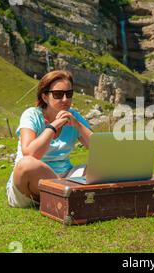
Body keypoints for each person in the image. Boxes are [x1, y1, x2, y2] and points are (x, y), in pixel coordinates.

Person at [6, 70, 93, 208]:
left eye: (69, 94)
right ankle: (67, 193)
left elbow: (100, 150)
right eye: (58, 94)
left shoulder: (73, 116)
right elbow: (31, 153)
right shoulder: (32, 115)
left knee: (98, 168)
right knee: (27, 164)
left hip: (66, 176)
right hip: (29, 185)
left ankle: (65, 194)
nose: (65, 99)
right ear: (45, 97)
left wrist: (77, 125)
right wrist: (52, 127)